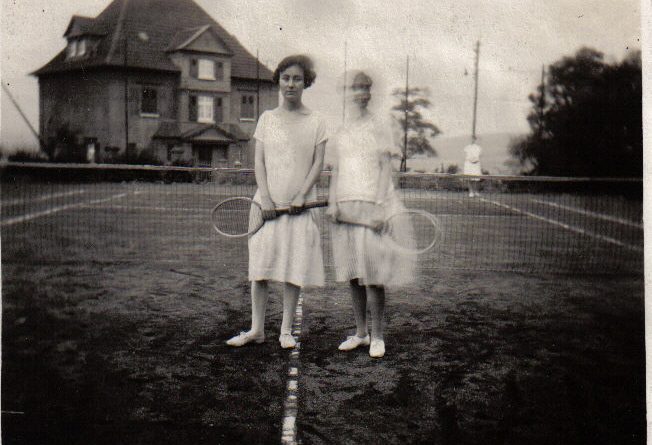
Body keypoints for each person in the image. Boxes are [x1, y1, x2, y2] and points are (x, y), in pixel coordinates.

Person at [227, 55, 327, 349]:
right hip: (265, 206)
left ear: (305, 82)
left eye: (297, 78)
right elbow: (259, 162)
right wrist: (267, 198)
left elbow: (317, 164)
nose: (291, 84)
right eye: (286, 78)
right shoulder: (267, 119)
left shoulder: (318, 121)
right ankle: (257, 329)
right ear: (279, 81)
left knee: (293, 268)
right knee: (260, 268)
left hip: (300, 206)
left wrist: (300, 196)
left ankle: (285, 330)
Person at [327, 70, 415, 359]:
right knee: (353, 273)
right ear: (346, 92)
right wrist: (332, 202)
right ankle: (361, 333)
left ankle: (377, 336)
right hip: (345, 206)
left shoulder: (380, 125)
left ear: (370, 92)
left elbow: (385, 169)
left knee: (374, 275)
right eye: (355, 88)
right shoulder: (339, 129)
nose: (361, 93)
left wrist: (379, 207)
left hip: (373, 206)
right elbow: (336, 171)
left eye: (365, 87)